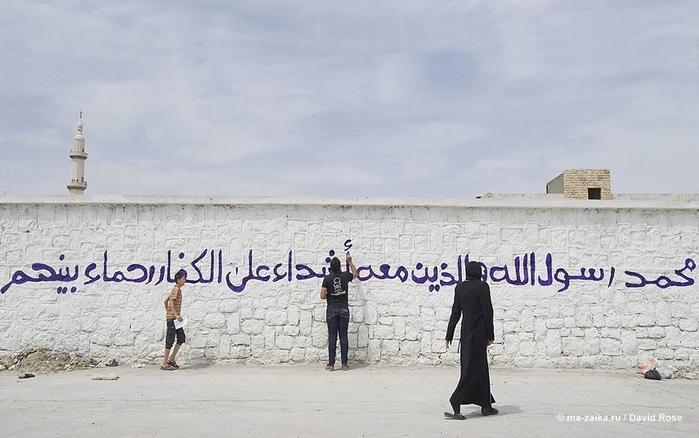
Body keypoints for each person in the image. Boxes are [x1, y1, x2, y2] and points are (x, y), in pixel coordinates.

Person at [444, 261, 498, 419]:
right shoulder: (483, 287)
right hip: (478, 330)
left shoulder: (459, 287)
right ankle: (456, 399)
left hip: (466, 330)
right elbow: (488, 312)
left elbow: (455, 313)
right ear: (479, 272)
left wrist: (449, 335)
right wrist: (490, 335)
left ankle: (486, 405)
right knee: (476, 369)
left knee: (477, 367)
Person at [320, 253, 358, 371]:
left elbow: (322, 296)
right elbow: (355, 274)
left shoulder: (327, 279)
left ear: (331, 267)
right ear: (340, 266)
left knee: (332, 337)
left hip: (331, 309)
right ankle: (344, 364)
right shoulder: (345, 276)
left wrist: (331, 296)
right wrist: (350, 262)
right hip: (344, 309)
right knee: (343, 336)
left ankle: (331, 364)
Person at [161, 270, 186, 371]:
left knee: (181, 337)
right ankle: (164, 363)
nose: (185, 280)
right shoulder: (176, 290)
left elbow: (165, 301)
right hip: (174, 319)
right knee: (169, 340)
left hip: (174, 319)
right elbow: (171, 302)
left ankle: (171, 359)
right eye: (183, 279)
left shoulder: (174, 290)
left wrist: (168, 312)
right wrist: (174, 315)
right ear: (178, 280)